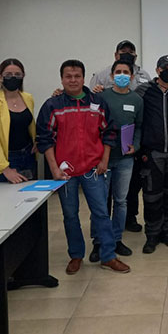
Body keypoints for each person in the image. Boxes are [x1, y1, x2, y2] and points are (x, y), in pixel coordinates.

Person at [37, 59, 130, 274]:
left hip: (92, 169)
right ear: (62, 79)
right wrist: (54, 169)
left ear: (83, 78)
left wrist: (104, 161)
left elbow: (109, 132)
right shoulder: (53, 106)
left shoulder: (97, 102)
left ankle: (108, 256)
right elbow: (44, 139)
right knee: (70, 215)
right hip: (65, 173)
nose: (73, 80)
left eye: (77, 76)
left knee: (101, 213)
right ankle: (76, 255)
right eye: (68, 76)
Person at [87, 60, 143, 262]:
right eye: (118, 72)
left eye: (125, 72)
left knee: (121, 201)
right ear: (111, 76)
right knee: (100, 202)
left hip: (125, 159)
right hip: (102, 158)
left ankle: (117, 239)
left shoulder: (136, 99)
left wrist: (135, 144)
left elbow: (139, 126)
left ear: (132, 76)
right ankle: (98, 241)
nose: (122, 75)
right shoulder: (101, 97)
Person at [134, 55, 168, 253]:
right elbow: (134, 114)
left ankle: (167, 231)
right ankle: (152, 235)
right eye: (164, 68)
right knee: (151, 196)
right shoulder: (144, 90)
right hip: (152, 153)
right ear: (157, 70)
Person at [0, 58, 36, 183]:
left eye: (17, 74)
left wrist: (36, 140)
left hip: (27, 155)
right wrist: (5, 169)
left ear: (23, 76)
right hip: (4, 159)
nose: (13, 78)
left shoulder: (28, 98)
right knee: (6, 195)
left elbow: (29, 124)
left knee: (29, 194)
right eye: (8, 75)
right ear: (1, 77)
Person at [89, 39, 153, 91]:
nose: (127, 54)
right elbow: (92, 96)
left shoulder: (144, 75)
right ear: (116, 55)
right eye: (123, 51)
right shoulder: (101, 75)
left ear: (135, 57)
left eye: (131, 52)